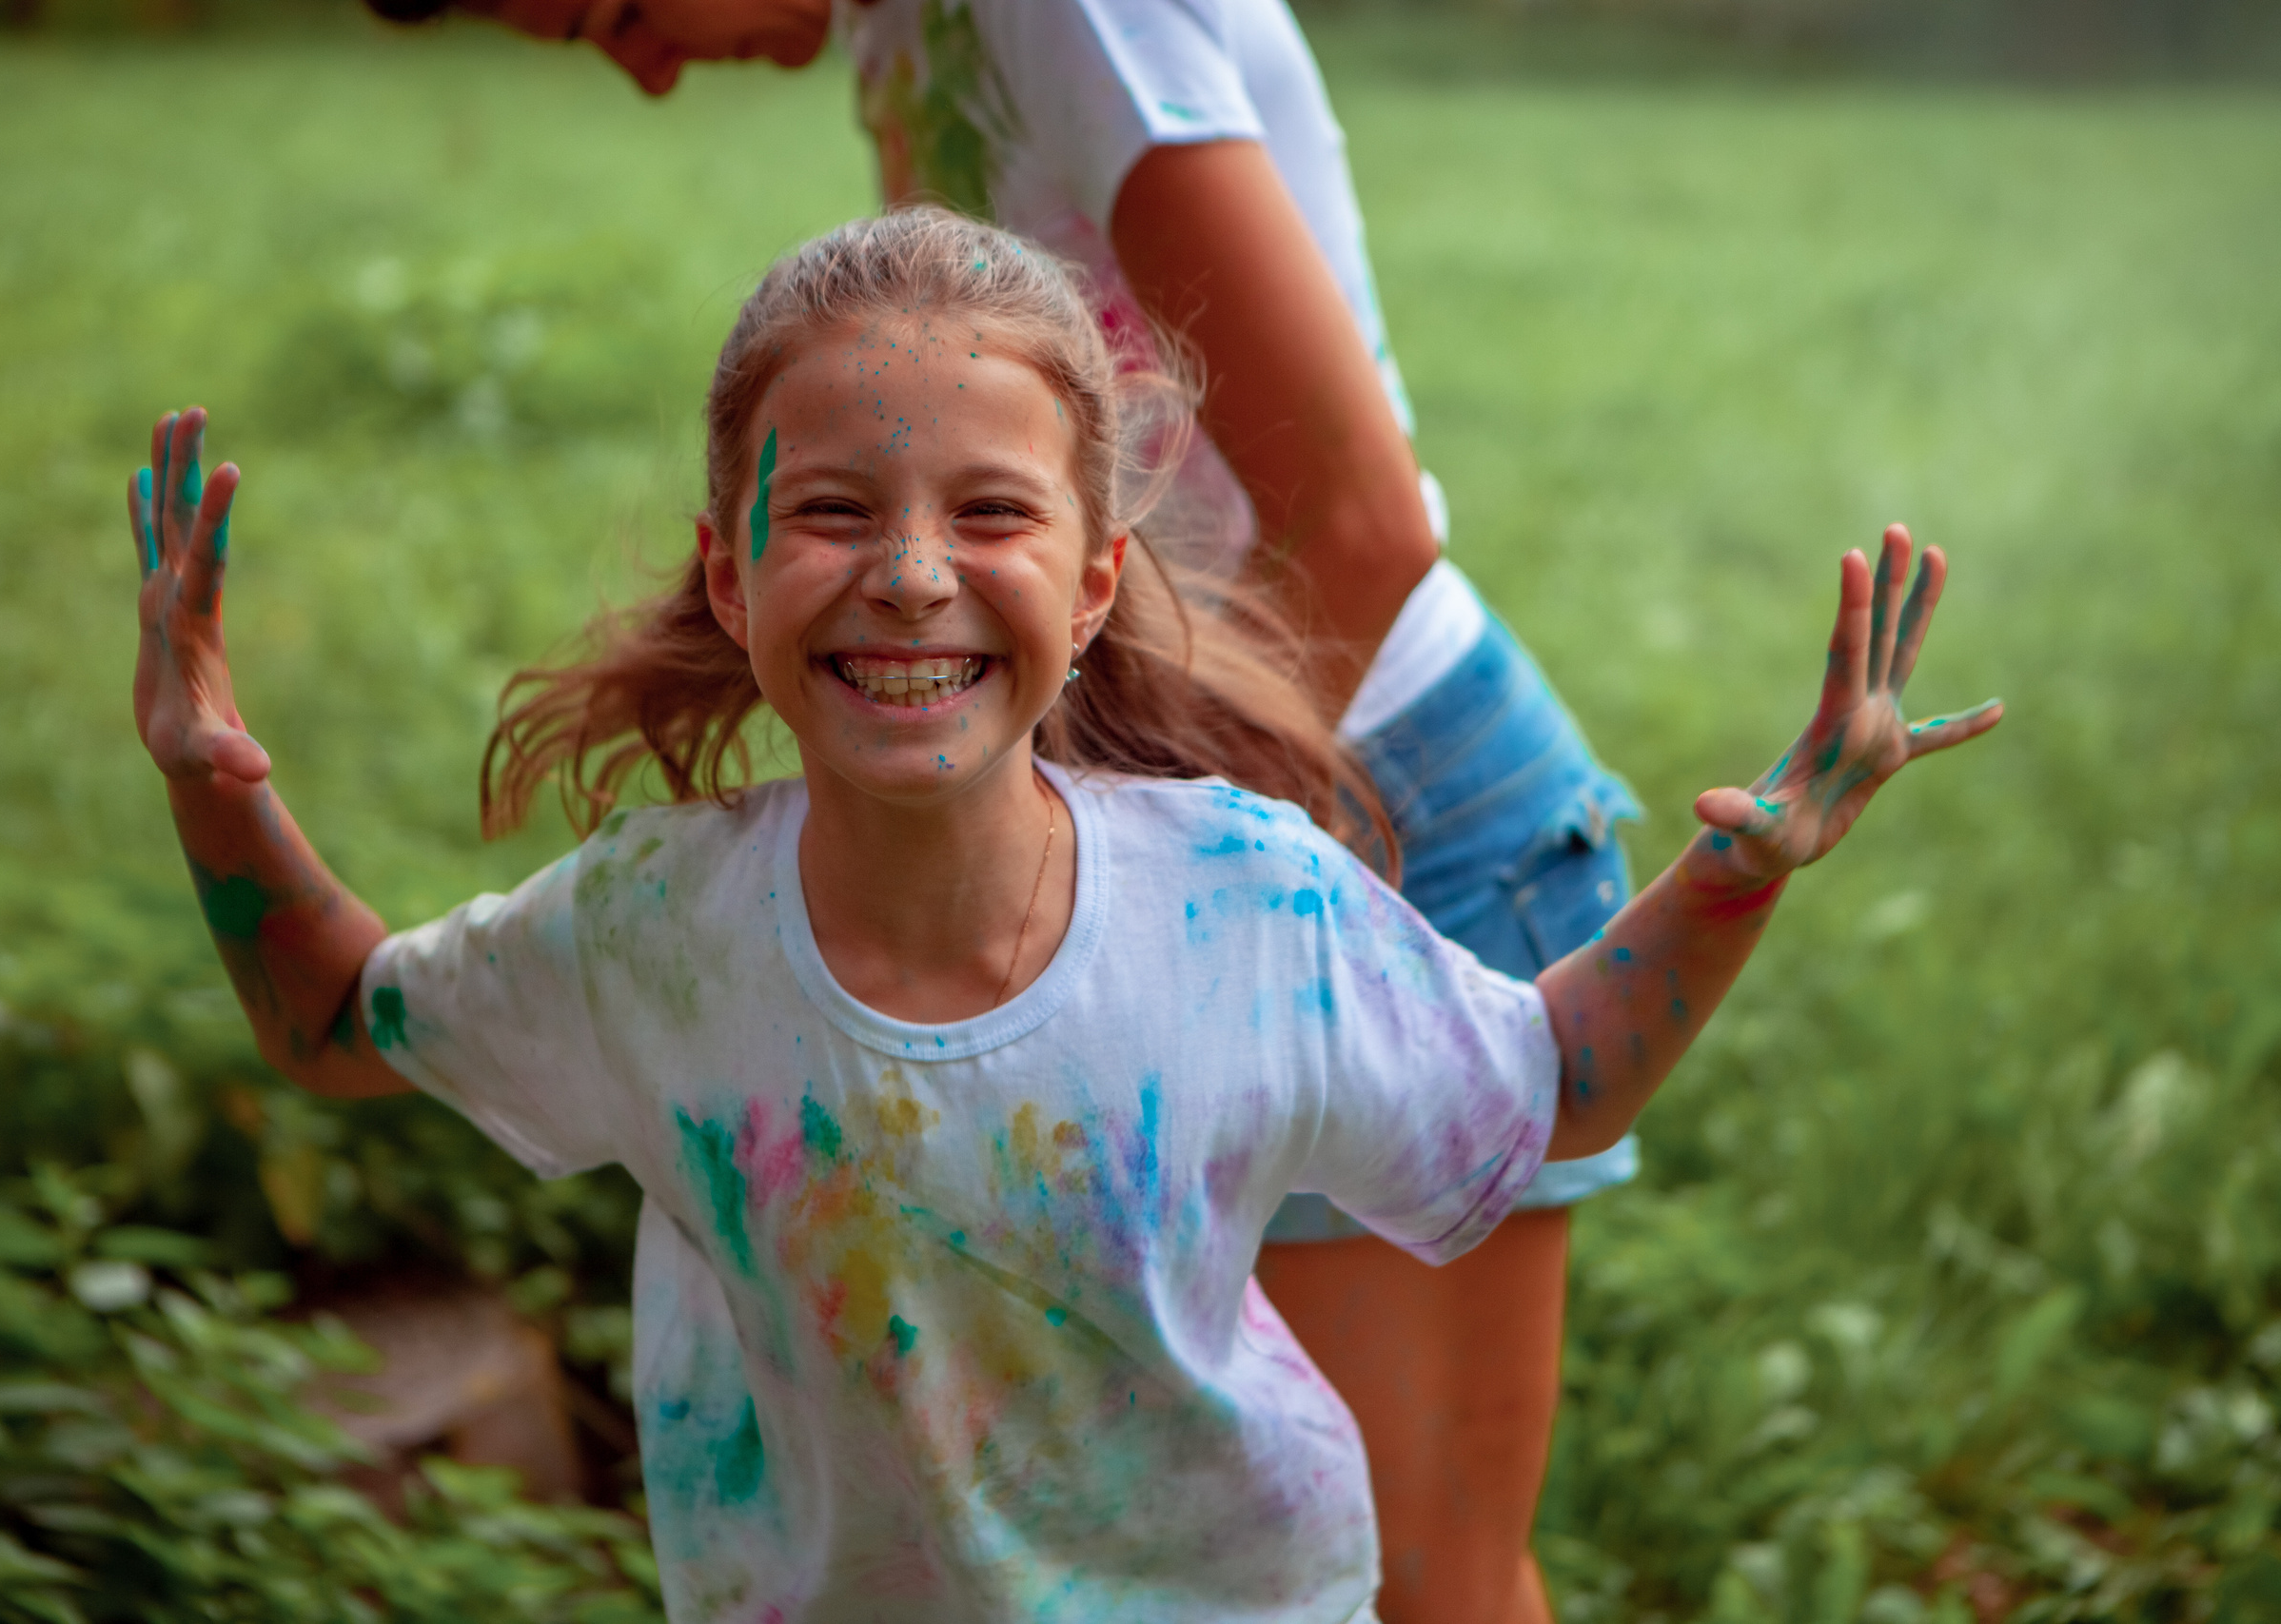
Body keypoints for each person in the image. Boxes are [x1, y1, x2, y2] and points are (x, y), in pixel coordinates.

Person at [128, 210, 1999, 1622]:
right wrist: (219, 782)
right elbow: (334, 1024)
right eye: (837, 509)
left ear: (1098, 577)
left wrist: (1733, 871)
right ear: (733, 567)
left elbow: (1551, 1079)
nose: (914, 575)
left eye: (991, 513)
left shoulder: (1240, 904)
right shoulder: (652, 932)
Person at [363, 0, 1642, 1610]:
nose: (643, 68)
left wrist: (1144, 910)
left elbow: (1361, 518)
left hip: (1383, 815)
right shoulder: (912, 27)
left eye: (613, 8)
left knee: (1430, 1585)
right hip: (1178, 806)